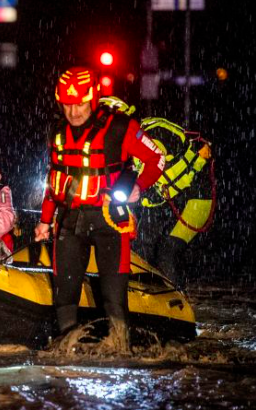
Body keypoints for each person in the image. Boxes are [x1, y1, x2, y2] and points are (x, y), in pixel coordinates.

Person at [33, 66, 164, 347]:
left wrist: (138, 187)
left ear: (93, 99)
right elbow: (54, 178)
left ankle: (120, 351)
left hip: (110, 221)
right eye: (67, 104)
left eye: (80, 103)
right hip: (69, 220)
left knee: (113, 298)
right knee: (65, 295)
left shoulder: (120, 126)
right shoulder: (56, 131)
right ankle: (68, 353)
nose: (74, 111)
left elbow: (157, 160)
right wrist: (44, 221)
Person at [135, 117, 214, 287]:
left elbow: (166, 179)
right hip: (171, 198)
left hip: (196, 199)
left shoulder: (153, 135)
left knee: (167, 250)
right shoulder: (133, 135)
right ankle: (140, 292)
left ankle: (175, 299)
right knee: (140, 246)